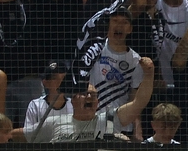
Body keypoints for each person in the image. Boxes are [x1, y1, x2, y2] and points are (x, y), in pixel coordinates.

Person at [16, 58, 155, 142]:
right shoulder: (53, 123)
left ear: (97, 103)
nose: (89, 97)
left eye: (93, 95)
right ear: (73, 100)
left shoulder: (109, 120)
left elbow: (139, 103)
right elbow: (16, 136)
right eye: (85, 94)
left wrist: (149, 74)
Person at [24, 61, 73, 132]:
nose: (61, 82)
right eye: (55, 78)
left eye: (64, 78)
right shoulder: (35, 105)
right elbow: (28, 133)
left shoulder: (74, 104)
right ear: (45, 83)